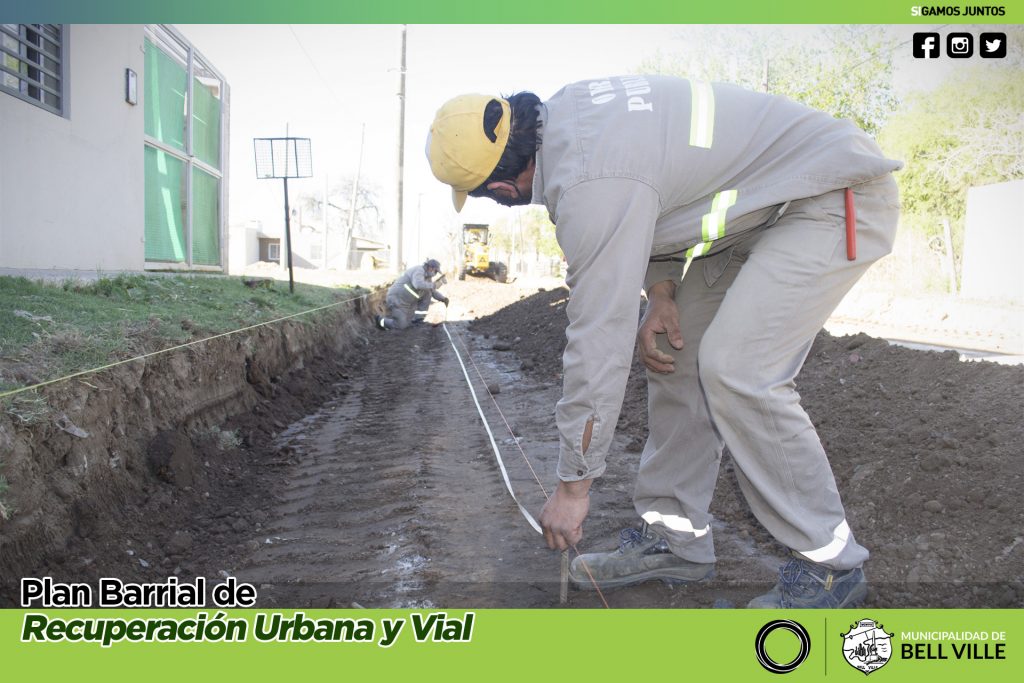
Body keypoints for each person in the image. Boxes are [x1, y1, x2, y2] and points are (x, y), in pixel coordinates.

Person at [426, 76, 901, 608]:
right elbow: (665, 197)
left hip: (829, 195)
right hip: (755, 216)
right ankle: (677, 539)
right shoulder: (572, 123)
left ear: (501, 186)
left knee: (738, 369)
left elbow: (597, 339)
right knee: (677, 352)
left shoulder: (588, 178)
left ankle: (831, 565)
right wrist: (661, 292)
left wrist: (573, 486)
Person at [376, 258, 450, 330]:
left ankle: (418, 320)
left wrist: (443, 298)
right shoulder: (419, 270)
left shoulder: (427, 277)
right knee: (400, 326)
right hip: (397, 299)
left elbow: (432, 291)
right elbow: (417, 284)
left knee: (427, 293)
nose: (435, 274)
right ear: (431, 268)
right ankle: (380, 321)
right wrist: (434, 285)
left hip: (407, 302)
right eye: (436, 271)